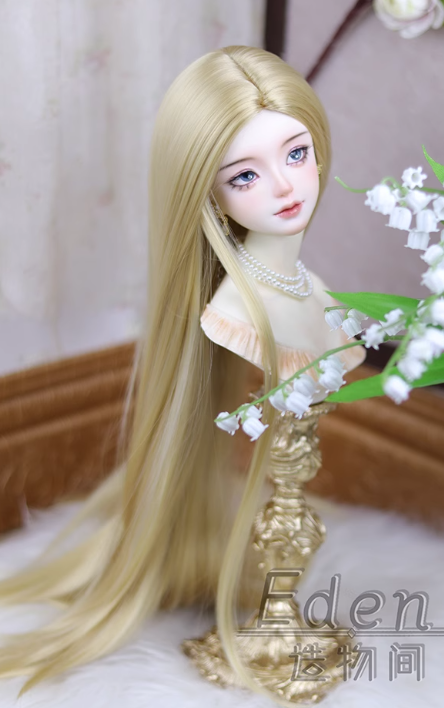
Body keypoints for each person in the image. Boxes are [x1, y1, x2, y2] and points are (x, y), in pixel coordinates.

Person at [0, 45, 363, 705]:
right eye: (244, 176)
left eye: (296, 154)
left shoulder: (313, 290)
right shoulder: (235, 313)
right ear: (209, 195)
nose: (285, 186)